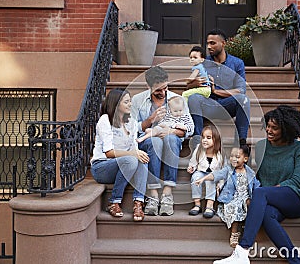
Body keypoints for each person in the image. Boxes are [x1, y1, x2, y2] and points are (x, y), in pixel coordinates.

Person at [213, 105, 300, 264]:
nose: (269, 130)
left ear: (286, 130)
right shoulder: (261, 147)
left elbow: (299, 179)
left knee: (260, 193)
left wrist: (265, 193)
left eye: (275, 128)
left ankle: (243, 250)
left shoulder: (299, 148)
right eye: (268, 126)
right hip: (269, 199)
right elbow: (254, 175)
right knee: (265, 214)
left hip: (295, 197)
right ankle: (297, 262)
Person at [131, 66, 194, 216]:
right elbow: (131, 129)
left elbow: (190, 128)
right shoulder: (137, 100)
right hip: (149, 140)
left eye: (165, 88)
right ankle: (153, 194)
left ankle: (167, 193)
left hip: (171, 139)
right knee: (155, 142)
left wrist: (170, 131)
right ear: (148, 86)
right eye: (158, 90)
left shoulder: (177, 99)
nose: (163, 93)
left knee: (171, 139)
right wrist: (151, 119)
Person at [90, 88, 149, 221]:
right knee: (132, 159)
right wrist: (132, 153)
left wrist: (136, 153)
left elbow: (135, 150)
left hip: (124, 167)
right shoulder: (105, 120)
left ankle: (138, 202)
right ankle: (114, 201)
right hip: (102, 167)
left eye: (130, 101)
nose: (130, 104)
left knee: (142, 158)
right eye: (126, 102)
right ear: (116, 104)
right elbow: (109, 152)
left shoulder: (132, 123)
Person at [187, 28, 250, 147]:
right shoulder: (203, 63)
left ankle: (241, 143)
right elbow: (189, 86)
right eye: (208, 43)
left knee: (243, 99)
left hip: (226, 105)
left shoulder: (237, 63)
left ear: (223, 43)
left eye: (213, 43)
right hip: (208, 105)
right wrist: (195, 83)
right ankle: (196, 140)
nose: (209, 47)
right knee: (193, 98)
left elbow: (241, 90)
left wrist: (216, 91)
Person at [195, 145, 260, 248]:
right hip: (231, 199)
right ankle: (234, 233)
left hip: (245, 197)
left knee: (251, 204)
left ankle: (247, 229)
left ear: (245, 159)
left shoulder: (250, 173)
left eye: (237, 157)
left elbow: (256, 186)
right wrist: (203, 179)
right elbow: (216, 174)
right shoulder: (228, 170)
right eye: (232, 156)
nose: (234, 159)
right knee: (235, 207)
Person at [187, 125, 224, 218]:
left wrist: (220, 183)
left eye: (208, 138)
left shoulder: (220, 154)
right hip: (200, 171)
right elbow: (193, 161)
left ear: (215, 140)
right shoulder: (199, 148)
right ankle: (197, 204)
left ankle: (210, 205)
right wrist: (191, 167)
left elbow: (222, 171)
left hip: (213, 174)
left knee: (210, 179)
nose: (204, 140)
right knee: (196, 177)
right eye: (203, 137)